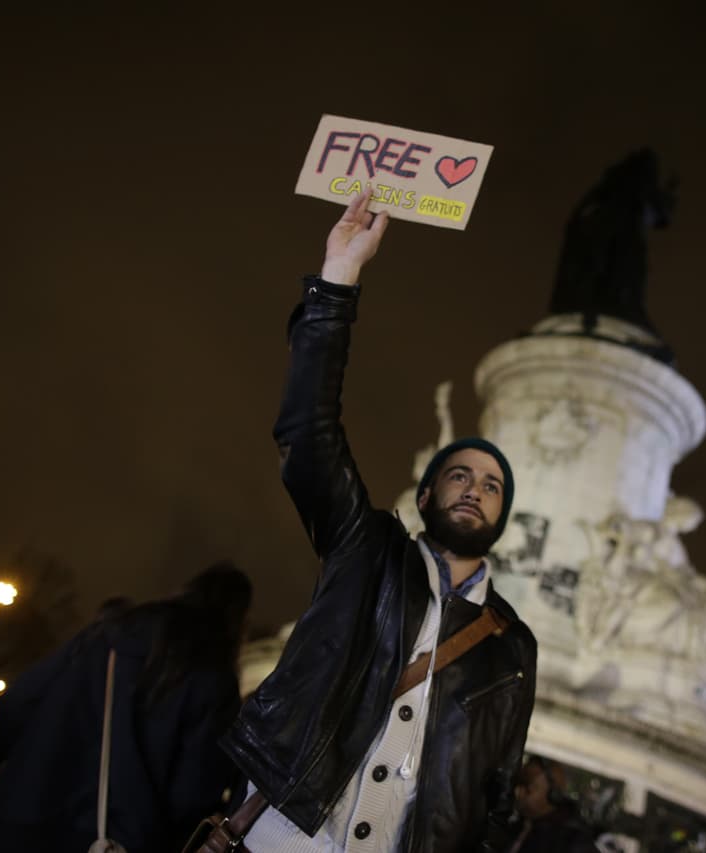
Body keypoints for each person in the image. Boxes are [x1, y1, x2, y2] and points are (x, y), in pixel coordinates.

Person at [217, 190, 538, 851]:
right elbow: (308, 432)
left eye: (491, 484)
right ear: (422, 497)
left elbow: (498, 788)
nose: (475, 489)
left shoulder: (513, 643)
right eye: (458, 474)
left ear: (503, 513)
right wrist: (337, 280)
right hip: (286, 837)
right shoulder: (366, 549)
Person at [0, 563, 252, 853]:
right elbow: (194, 793)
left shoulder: (110, 633)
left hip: (19, 812)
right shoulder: (216, 678)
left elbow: (17, 703)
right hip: (111, 839)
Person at [508, 757, 599, 853]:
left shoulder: (572, 840)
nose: (519, 792)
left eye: (528, 789)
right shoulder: (518, 825)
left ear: (553, 795)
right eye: (519, 784)